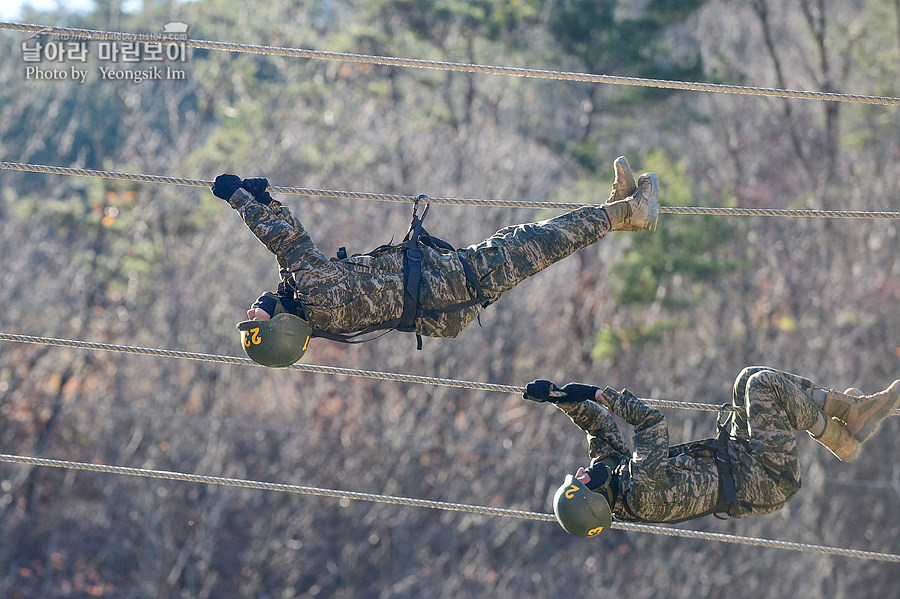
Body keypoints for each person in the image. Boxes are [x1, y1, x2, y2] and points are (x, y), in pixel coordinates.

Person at [211, 157, 659, 367]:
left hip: (446, 291)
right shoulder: (317, 297)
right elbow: (288, 245)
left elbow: (291, 244)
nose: (252, 310)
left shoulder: (309, 301)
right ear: (281, 328)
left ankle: (612, 213)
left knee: (526, 240)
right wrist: (238, 199)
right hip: (451, 288)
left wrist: (263, 199)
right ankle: (627, 214)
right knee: (535, 241)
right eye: (256, 320)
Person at [522, 367, 900, 537]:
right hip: (765, 478)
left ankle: (844, 417)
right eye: (583, 481)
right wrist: (598, 393)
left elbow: (599, 427)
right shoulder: (642, 490)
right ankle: (839, 433)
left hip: (737, 457)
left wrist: (557, 397)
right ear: (597, 500)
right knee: (764, 386)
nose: (583, 472)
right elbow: (651, 424)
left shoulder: (614, 480)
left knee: (748, 379)